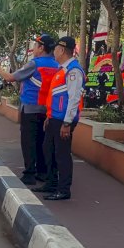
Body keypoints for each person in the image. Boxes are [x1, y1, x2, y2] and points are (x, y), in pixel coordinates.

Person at [0, 34, 59, 185]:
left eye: (35, 46)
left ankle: (29, 173)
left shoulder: (34, 64)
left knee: (28, 142)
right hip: (47, 110)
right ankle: (42, 172)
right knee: (42, 141)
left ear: (41, 48)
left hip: (30, 108)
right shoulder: (56, 65)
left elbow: (10, 77)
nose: (33, 48)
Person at [33, 36, 85, 201]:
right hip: (55, 118)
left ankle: (63, 189)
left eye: (55, 49)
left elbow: (74, 98)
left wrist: (67, 123)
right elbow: (55, 97)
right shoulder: (62, 70)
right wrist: (49, 116)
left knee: (61, 155)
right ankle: (51, 183)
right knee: (48, 149)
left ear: (62, 50)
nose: (53, 51)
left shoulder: (73, 71)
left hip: (64, 121)